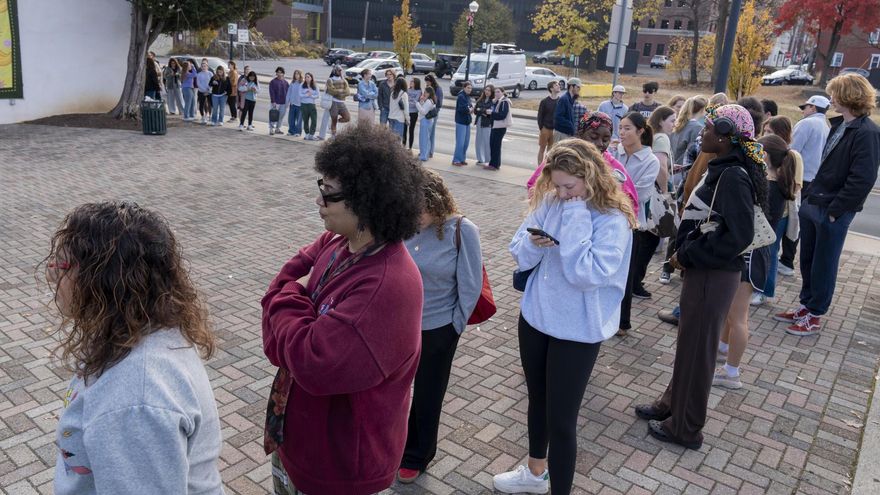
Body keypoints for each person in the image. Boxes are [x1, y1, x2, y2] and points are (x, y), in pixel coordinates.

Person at [261, 123, 424, 495]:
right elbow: (281, 307)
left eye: (329, 193)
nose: (319, 200)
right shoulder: (338, 242)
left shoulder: (385, 285)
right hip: (300, 442)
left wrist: (286, 299)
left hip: (341, 469)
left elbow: (309, 360)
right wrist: (293, 300)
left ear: (366, 200)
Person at [48, 201, 223, 494]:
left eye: (62, 264)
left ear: (101, 280)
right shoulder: (135, 329)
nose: (52, 274)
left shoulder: (134, 399)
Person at [496, 139, 635, 495]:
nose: (560, 192)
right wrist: (533, 244)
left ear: (590, 176)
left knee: (562, 421)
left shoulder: (613, 219)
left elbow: (584, 274)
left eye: (568, 186)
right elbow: (518, 251)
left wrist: (574, 216)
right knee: (537, 401)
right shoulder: (550, 200)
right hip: (536, 317)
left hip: (578, 329)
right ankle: (534, 472)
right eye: (556, 184)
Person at [634, 104, 763, 450]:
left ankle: (686, 427)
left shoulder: (733, 175)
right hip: (705, 272)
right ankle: (671, 405)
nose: (701, 133)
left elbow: (737, 236)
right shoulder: (722, 167)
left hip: (713, 274)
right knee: (689, 346)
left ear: (725, 136)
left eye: (707, 129)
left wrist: (688, 253)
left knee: (699, 352)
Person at [777, 74, 880, 336]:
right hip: (817, 202)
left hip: (832, 209)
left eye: (834, 93)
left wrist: (836, 210)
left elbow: (863, 178)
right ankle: (806, 305)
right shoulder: (839, 126)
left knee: (824, 262)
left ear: (849, 96)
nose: (830, 98)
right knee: (809, 258)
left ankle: (815, 314)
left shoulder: (867, 133)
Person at [398, 170, 483, 484]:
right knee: (393, 390)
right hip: (400, 326)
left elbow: (470, 286)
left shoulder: (462, 230)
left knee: (428, 395)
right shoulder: (403, 227)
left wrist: (454, 327)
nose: (413, 213)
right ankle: (394, 444)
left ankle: (417, 454)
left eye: (418, 207)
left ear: (435, 203)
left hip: (438, 328)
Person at [712, 134, 790, 390]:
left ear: (764, 155)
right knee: (731, 313)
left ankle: (732, 372)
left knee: (738, 317)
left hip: (751, 255)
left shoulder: (767, 184)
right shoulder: (777, 183)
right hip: (754, 254)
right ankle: (723, 350)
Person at [526, 112, 639, 214]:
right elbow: (534, 186)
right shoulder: (561, 159)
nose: (600, 143)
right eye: (594, 137)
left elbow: (631, 203)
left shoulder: (613, 167)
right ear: (580, 134)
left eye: (605, 139)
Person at [613, 112, 661, 336]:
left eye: (628, 128)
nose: (622, 132)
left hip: (632, 224)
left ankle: (623, 323)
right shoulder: (615, 152)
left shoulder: (650, 160)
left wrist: (611, 190)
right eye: (620, 127)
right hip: (610, 218)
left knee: (626, 274)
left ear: (641, 131)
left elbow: (639, 195)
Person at [752, 116, 803, 306]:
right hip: (772, 213)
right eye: (764, 131)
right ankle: (759, 287)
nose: (765, 135)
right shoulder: (769, 173)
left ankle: (764, 289)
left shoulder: (792, 156)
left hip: (779, 215)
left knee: (769, 251)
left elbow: (796, 185)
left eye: (769, 132)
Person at [778, 95, 831, 277]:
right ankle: (788, 260)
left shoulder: (807, 124)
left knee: (788, 217)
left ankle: (786, 261)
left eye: (805, 107)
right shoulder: (826, 126)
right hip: (813, 178)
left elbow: (791, 151)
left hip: (798, 177)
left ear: (813, 108)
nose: (803, 110)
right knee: (797, 220)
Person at [649, 106, 678, 285]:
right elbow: (660, 166)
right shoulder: (662, 138)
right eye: (672, 120)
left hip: (653, 189)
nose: (674, 125)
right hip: (659, 192)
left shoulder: (654, 136)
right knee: (660, 234)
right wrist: (666, 192)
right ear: (661, 121)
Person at [670, 95, 707, 167]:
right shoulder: (697, 128)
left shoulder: (678, 124)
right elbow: (693, 154)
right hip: (683, 171)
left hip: (671, 169)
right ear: (702, 110)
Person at [487, 87, 512, 171]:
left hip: (500, 127)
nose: (496, 94)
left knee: (496, 146)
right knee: (493, 145)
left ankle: (494, 165)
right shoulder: (497, 101)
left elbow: (502, 115)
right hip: (495, 126)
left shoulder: (504, 102)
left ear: (502, 92)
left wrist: (492, 113)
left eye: (498, 92)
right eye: (495, 92)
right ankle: (494, 164)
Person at [536, 80, 561, 164]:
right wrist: (541, 128)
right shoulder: (544, 101)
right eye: (556, 85)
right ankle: (539, 168)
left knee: (551, 151)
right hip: (545, 128)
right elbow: (540, 116)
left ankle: (546, 166)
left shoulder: (560, 101)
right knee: (542, 148)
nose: (558, 86)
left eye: (558, 85)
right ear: (551, 88)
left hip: (555, 130)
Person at [323, 65, 351, 138]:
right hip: (333, 103)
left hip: (342, 103)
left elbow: (348, 92)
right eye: (339, 70)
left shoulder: (344, 80)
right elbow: (331, 91)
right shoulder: (330, 80)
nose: (340, 71)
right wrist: (342, 92)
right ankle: (333, 136)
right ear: (335, 71)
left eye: (341, 70)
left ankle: (332, 123)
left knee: (347, 118)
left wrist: (338, 92)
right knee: (334, 120)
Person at [474, 85, 495, 166]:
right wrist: (484, 111)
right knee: (478, 141)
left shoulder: (492, 101)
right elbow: (476, 111)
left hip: (487, 123)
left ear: (491, 92)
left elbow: (490, 113)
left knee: (487, 142)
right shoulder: (480, 100)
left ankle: (488, 160)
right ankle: (480, 159)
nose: (487, 92)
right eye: (486, 90)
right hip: (479, 122)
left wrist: (481, 110)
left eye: (489, 90)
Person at [452, 81, 473, 166]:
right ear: (464, 88)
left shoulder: (467, 96)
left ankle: (462, 159)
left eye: (471, 88)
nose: (469, 89)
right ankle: (456, 160)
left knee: (466, 142)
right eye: (468, 88)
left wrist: (470, 109)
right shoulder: (461, 96)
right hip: (461, 122)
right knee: (460, 142)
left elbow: (470, 106)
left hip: (467, 121)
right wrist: (469, 109)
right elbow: (463, 109)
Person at [416, 86, 437, 162]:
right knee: (426, 138)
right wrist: (422, 101)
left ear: (429, 93)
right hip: (428, 121)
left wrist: (417, 104)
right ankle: (426, 154)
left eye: (426, 92)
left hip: (425, 120)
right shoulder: (429, 100)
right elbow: (424, 107)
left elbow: (423, 111)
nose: (424, 93)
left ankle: (423, 156)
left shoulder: (428, 101)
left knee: (423, 139)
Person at [424, 73, 443, 158]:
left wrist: (435, 111)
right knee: (427, 132)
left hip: (433, 113)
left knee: (431, 132)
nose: (427, 83)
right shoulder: (427, 89)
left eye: (428, 81)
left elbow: (439, 103)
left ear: (432, 81)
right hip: (426, 112)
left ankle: (430, 151)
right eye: (426, 82)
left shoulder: (438, 89)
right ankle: (426, 150)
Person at [268, 67, 289, 135]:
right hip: (275, 102)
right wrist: (273, 101)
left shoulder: (285, 82)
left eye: (281, 72)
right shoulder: (273, 82)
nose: (279, 74)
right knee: (273, 116)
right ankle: (271, 129)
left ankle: (277, 129)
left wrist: (288, 102)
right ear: (276, 73)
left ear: (283, 73)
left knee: (281, 116)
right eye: (278, 72)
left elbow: (288, 93)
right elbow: (272, 92)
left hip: (283, 103)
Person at [388, 76, 410, 141]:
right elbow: (406, 108)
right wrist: (408, 119)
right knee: (398, 140)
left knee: (391, 140)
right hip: (399, 119)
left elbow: (390, 106)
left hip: (391, 117)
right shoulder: (404, 94)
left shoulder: (392, 93)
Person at [299, 72, 319, 140]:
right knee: (305, 120)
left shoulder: (315, 85)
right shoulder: (302, 85)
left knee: (314, 120)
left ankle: (311, 134)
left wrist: (311, 95)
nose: (307, 78)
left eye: (308, 77)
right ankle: (307, 134)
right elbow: (300, 95)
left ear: (311, 78)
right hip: (304, 104)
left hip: (312, 105)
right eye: (306, 77)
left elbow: (317, 95)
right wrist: (307, 95)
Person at [405, 77, 423, 149]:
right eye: (410, 81)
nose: (410, 82)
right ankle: (403, 146)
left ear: (416, 83)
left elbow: (416, 102)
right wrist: (411, 101)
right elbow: (405, 101)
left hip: (414, 113)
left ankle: (410, 147)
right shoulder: (407, 90)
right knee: (404, 130)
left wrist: (409, 101)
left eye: (412, 81)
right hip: (406, 112)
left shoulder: (419, 91)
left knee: (411, 130)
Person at [286, 69, 304, 136]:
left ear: (300, 75)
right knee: (291, 119)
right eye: (295, 74)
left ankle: (298, 132)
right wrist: (287, 101)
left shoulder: (302, 84)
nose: (296, 75)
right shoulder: (292, 83)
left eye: (298, 74)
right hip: (292, 104)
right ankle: (291, 131)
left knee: (299, 120)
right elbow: (289, 93)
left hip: (300, 105)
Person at [196, 60, 213, 125]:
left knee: (210, 104)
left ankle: (210, 116)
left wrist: (208, 90)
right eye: (202, 66)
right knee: (201, 105)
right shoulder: (199, 74)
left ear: (207, 67)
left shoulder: (210, 73)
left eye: (205, 66)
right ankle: (203, 117)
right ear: (201, 67)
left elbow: (212, 83)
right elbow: (198, 83)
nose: (203, 67)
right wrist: (204, 90)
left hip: (209, 91)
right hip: (201, 91)